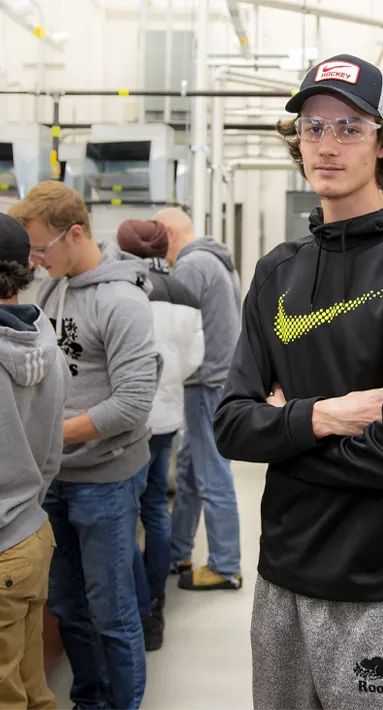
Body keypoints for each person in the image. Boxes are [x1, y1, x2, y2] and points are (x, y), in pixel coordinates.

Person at [213, 53, 383, 709]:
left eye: (349, 127)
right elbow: (231, 424)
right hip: (282, 575)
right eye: (313, 127)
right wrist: (323, 416)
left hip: (378, 578)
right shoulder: (277, 269)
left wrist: (285, 431)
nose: (326, 144)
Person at [9, 182, 161, 710]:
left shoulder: (123, 301)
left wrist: (48, 434)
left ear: (76, 233)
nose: (34, 262)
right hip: (55, 481)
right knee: (70, 607)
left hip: (107, 480)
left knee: (112, 612)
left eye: (40, 249)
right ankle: (89, 701)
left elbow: (132, 405)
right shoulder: (52, 289)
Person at [117, 219, 205, 649]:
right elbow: (194, 359)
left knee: (124, 514)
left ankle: (137, 607)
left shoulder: (124, 293)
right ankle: (155, 602)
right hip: (168, 415)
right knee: (154, 507)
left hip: (128, 422)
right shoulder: (185, 294)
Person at [152, 207, 242, 591]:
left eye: (158, 239)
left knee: (212, 474)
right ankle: (178, 551)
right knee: (190, 469)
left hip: (205, 383)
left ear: (170, 234)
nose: (158, 249)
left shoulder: (190, 267)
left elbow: (174, 334)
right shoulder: (216, 259)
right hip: (216, 380)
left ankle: (225, 565)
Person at [0, 213, 69, 710]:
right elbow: (49, 453)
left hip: (1, 547)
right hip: (32, 534)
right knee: (33, 689)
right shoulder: (45, 336)